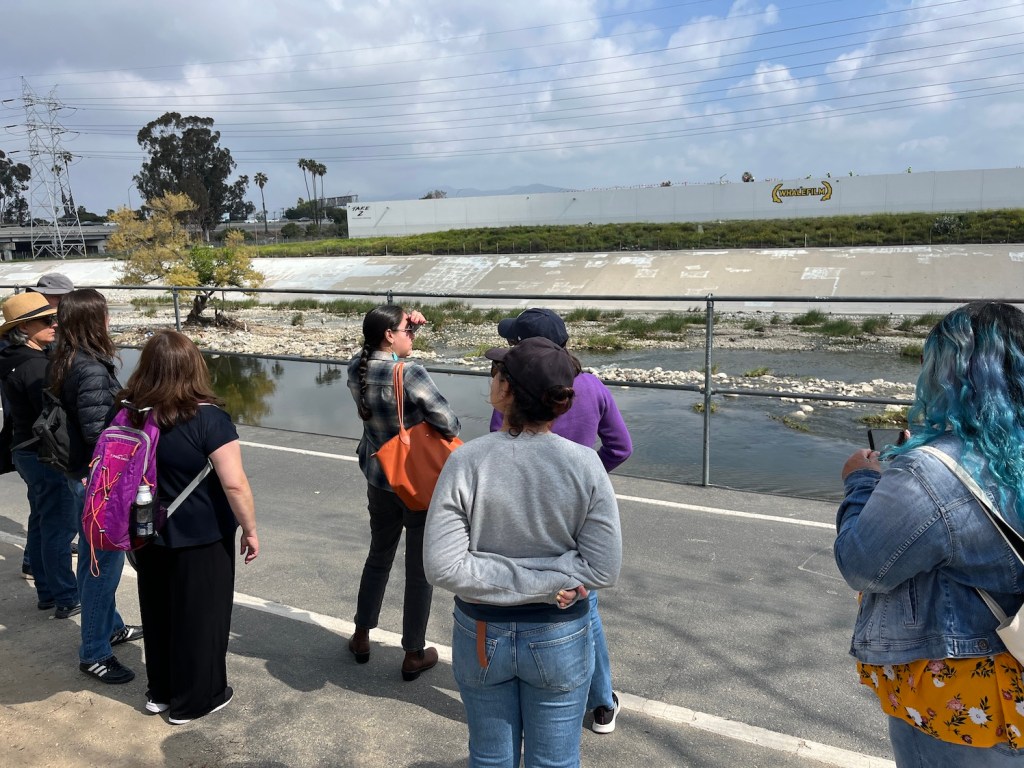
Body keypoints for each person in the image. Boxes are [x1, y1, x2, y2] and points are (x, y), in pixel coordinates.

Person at [835, 301, 1024, 765]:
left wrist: (862, 479)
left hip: (960, 697)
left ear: (946, 374)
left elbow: (863, 563)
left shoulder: (931, 471)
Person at [425, 336, 622, 768]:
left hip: (481, 632)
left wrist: (498, 572)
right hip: (559, 632)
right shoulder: (585, 463)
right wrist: (555, 576)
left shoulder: (467, 461)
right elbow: (602, 568)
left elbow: (443, 566)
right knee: (555, 760)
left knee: (490, 758)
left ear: (506, 391)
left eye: (498, 372)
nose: (492, 378)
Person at [491, 307, 632, 733]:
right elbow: (620, 447)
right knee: (584, 601)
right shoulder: (591, 386)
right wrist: (590, 478)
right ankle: (602, 703)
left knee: (526, 594)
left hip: (526, 509)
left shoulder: (514, 393)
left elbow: (500, 450)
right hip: (579, 511)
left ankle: (517, 691)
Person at [123, 330, 258, 724]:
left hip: (146, 532)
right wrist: (250, 529)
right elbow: (234, 482)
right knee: (201, 618)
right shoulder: (209, 419)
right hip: (200, 535)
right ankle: (195, 699)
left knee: (159, 612)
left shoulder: (132, 412)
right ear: (194, 366)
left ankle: (160, 693)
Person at [346, 303, 460, 681]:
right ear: (388, 336)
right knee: (417, 569)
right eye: (406, 331)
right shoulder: (410, 372)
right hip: (416, 483)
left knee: (379, 555)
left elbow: (379, 357)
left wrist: (407, 325)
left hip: (379, 477)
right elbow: (448, 421)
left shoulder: (356, 368)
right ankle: (413, 651)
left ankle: (362, 634)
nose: (410, 336)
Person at [48, 288, 142, 684]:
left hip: (79, 475)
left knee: (93, 562)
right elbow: (98, 434)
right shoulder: (88, 368)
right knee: (102, 567)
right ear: (94, 320)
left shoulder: (66, 358)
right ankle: (94, 652)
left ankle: (111, 628)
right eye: (104, 314)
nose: (109, 321)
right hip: (97, 481)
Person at [0, 292, 78, 613]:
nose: (54, 324)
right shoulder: (34, 366)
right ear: (25, 327)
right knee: (59, 526)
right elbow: (48, 415)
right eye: (46, 320)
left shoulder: (12, 359)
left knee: (42, 519)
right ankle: (65, 596)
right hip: (43, 454)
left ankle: (47, 592)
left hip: (23, 451)